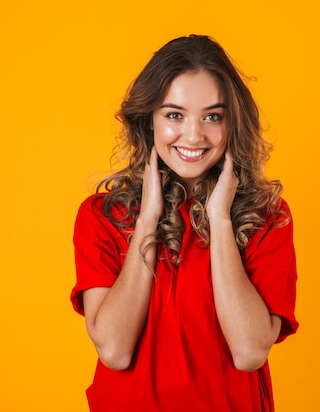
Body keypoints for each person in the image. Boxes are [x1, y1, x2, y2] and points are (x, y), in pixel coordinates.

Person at [70, 34, 298, 412]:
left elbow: (249, 352)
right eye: (175, 114)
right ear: (150, 122)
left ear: (232, 124)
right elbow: (113, 349)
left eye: (212, 116)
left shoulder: (269, 217)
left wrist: (221, 220)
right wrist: (147, 220)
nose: (193, 135)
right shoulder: (101, 216)